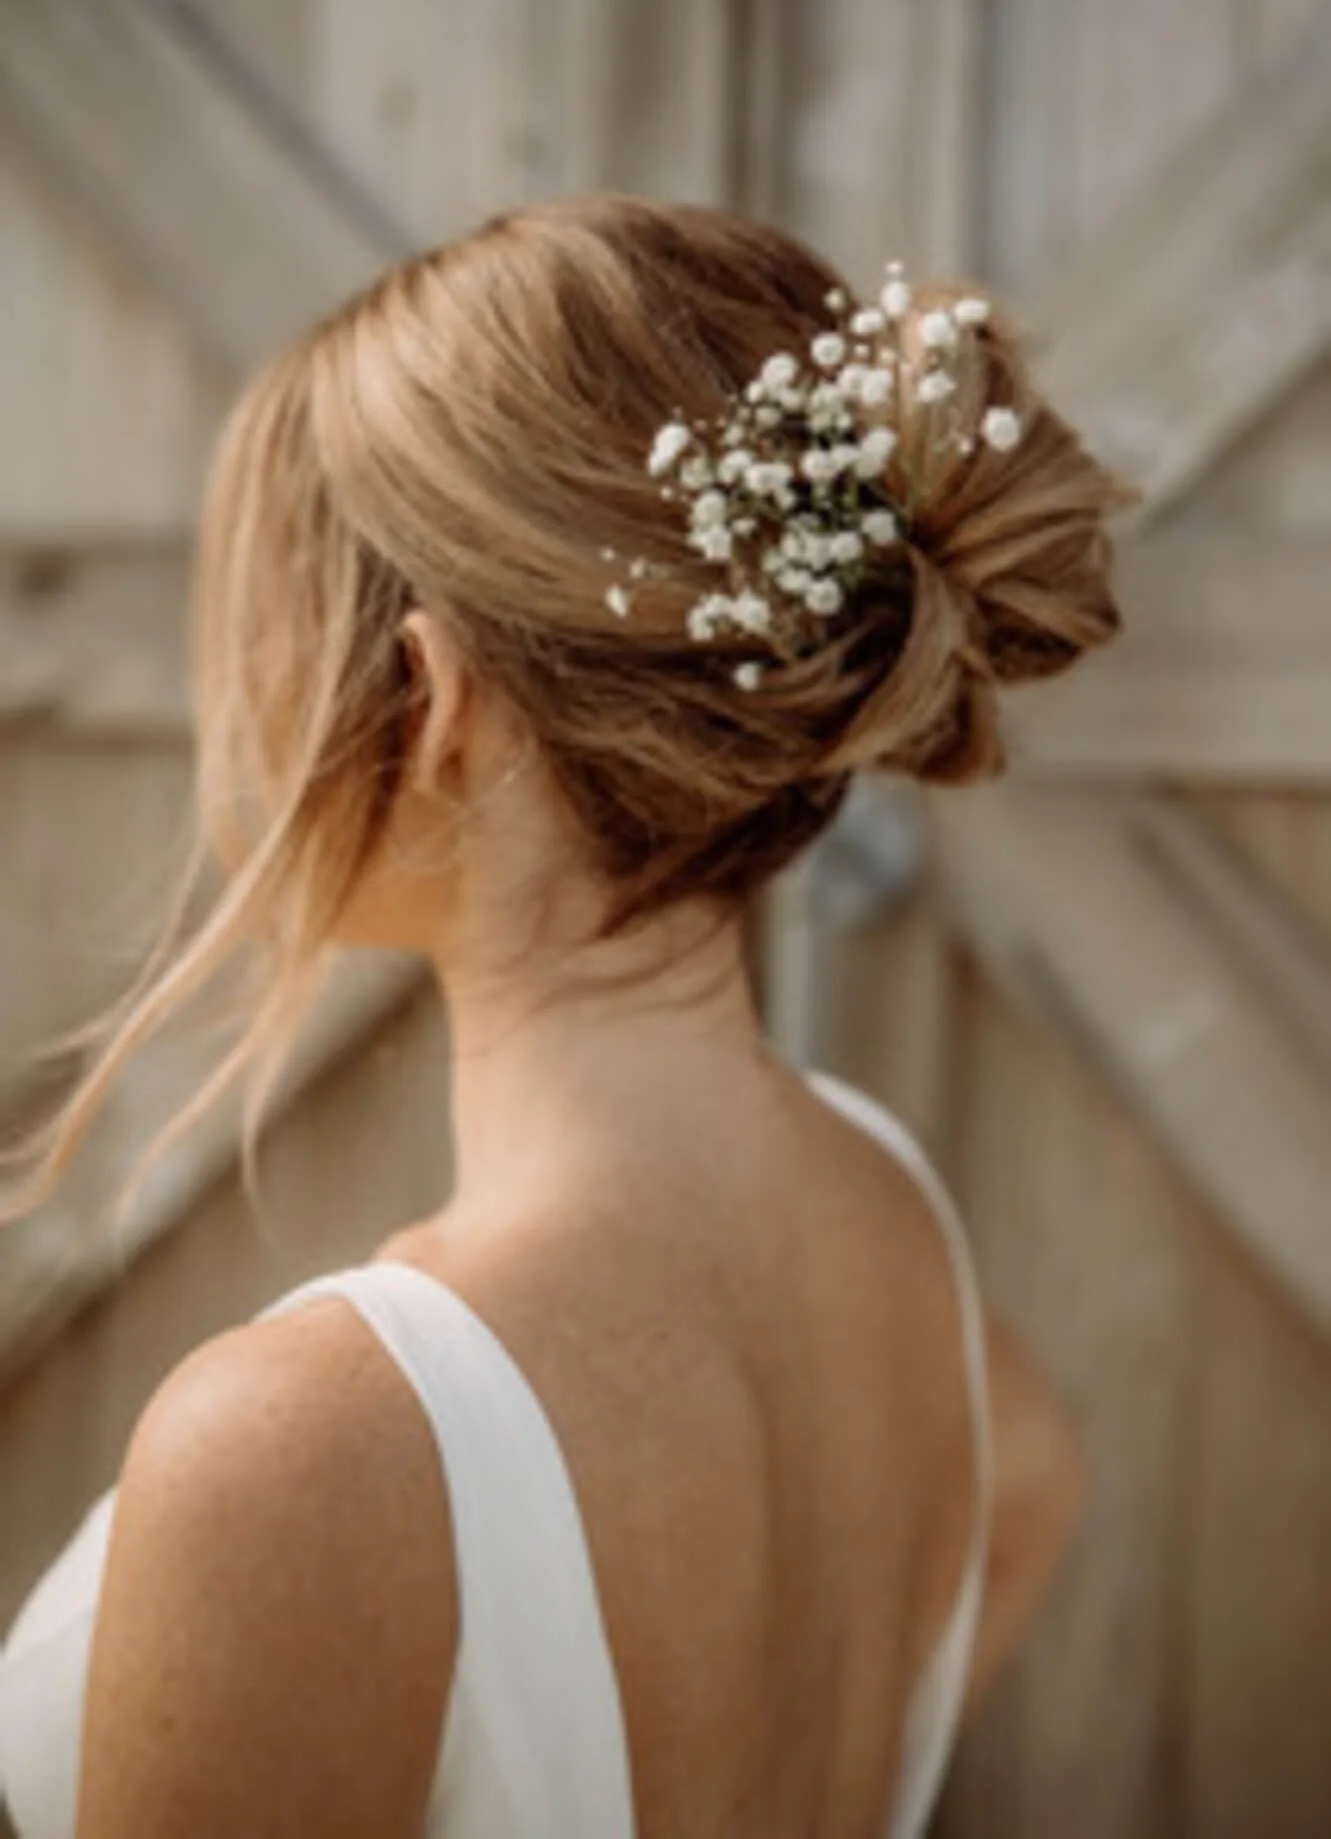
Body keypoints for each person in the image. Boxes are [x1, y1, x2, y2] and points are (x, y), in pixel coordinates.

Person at [0, 196, 1125, 1838]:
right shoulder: (892, 1214)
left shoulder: (303, 1452)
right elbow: (1034, 1487)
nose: (225, 713)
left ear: (431, 702)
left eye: (250, 635)